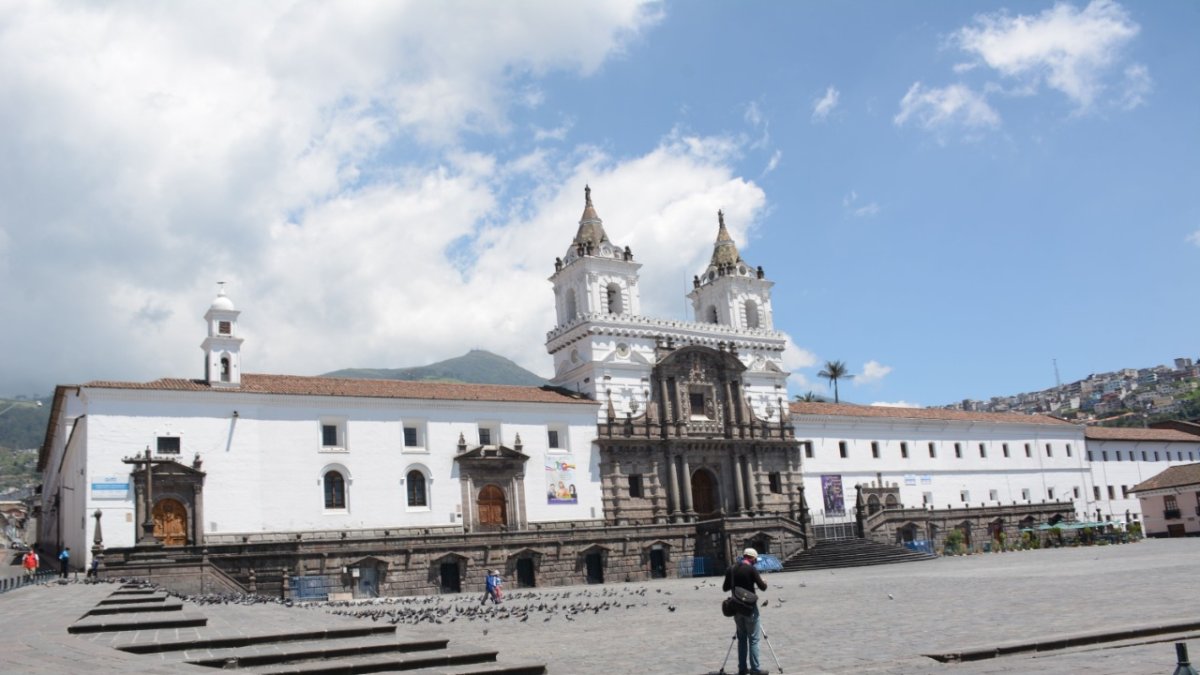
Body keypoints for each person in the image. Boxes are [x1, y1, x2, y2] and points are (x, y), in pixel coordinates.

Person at [723, 547, 768, 675]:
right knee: (753, 639)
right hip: (750, 608)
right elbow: (763, 588)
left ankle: (742, 669)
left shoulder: (731, 569)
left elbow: (725, 588)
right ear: (752, 558)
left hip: (736, 609)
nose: (756, 562)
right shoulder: (751, 569)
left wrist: (736, 585)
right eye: (755, 560)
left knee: (742, 639)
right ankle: (755, 669)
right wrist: (763, 582)